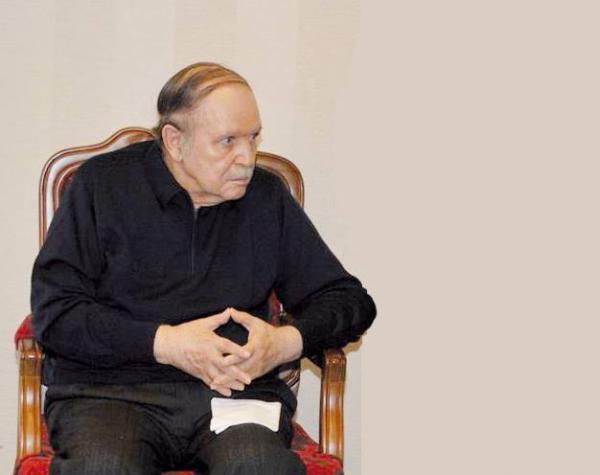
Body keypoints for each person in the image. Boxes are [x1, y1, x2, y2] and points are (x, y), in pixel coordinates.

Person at [31, 62, 376, 475]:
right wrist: (166, 343)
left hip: (235, 395)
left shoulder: (266, 198)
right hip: (111, 394)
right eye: (227, 141)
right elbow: (56, 314)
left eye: (253, 137)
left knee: (260, 467)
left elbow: (349, 300)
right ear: (175, 141)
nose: (247, 158)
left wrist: (285, 343)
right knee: (102, 467)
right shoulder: (100, 186)